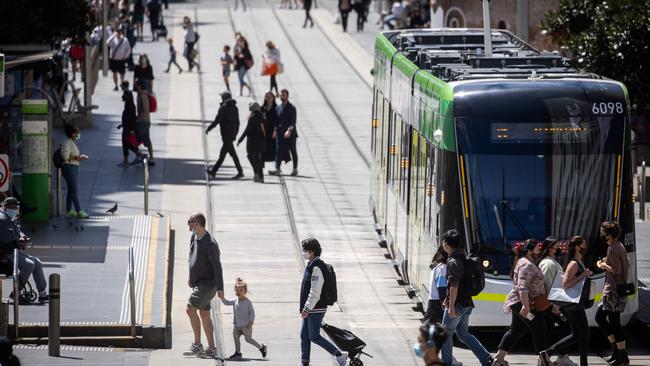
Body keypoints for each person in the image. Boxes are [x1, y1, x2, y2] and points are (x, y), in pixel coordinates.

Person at [492, 239, 551, 366]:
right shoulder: (527, 265)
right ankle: (544, 360)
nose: (539, 251)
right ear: (530, 251)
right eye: (537, 249)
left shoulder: (525, 262)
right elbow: (522, 287)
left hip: (520, 302)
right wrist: (526, 306)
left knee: (516, 330)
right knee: (539, 328)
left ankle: (499, 359)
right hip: (523, 303)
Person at [440, 229, 492, 366]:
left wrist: (451, 306)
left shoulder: (453, 262)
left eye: (443, 242)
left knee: (445, 334)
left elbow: (454, 285)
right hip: (467, 303)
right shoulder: (463, 256)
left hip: (457, 305)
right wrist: (448, 299)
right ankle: (486, 359)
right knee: (463, 334)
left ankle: (447, 362)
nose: (442, 244)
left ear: (447, 243)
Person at [540, 236, 592, 366]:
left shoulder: (579, 262)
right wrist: (583, 275)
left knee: (577, 334)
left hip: (576, 303)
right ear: (577, 247)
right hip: (572, 304)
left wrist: (584, 275)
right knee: (584, 333)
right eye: (584, 245)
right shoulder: (573, 263)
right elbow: (565, 284)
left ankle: (548, 352)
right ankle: (583, 363)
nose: (586, 248)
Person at [299, 238, 348, 366]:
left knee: (314, 337)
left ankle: (339, 354)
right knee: (304, 336)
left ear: (312, 251)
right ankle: (304, 362)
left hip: (315, 308)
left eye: (305, 250)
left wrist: (307, 308)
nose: (303, 252)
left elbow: (315, 292)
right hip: (310, 308)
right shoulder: (312, 265)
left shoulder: (317, 267)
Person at [184, 212, 224, 359]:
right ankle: (212, 348)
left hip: (207, 284)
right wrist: (190, 276)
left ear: (198, 223)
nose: (188, 224)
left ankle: (197, 345)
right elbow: (191, 256)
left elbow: (217, 267)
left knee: (190, 309)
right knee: (205, 314)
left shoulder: (210, 243)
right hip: (198, 283)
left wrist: (220, 288)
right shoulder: (194, 236)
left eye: (190, 221)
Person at [0, 197, 49, 304]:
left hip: (12, 250)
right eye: (10, 207)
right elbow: (7, 238)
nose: (13, 209)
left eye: (15, 207)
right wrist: (20, 242)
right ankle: (16, 293)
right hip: (4, 252)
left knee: (37, 262)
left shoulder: (10, 217)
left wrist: (23, 237)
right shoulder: (2, 219)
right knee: (29, 264)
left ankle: (42, 293)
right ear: (4, 207)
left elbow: (17, 231)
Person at [595, 221, 629, 366]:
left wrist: (603, 265)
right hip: (614, 289)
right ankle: (617, 352)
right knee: (603, 318)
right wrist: (606, 262)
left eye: (603, 230)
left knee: (612, 322)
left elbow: (617, 270)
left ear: (608, 233)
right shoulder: (618, 246)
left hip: (613, 290)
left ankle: (621, 355)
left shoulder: (613, 248)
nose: (601, 232)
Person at [538, 237, 572, 365]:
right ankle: (561, 356)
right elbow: (547, 284)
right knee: (566, 325)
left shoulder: (550, 262)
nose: (559, 249)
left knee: (548, 330)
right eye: (556, 246)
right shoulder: (548, 264)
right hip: (553, 304)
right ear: (549, 248)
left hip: (553, 303)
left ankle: (543, 359)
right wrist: (554, 305)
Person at [221, 278, 267, 359]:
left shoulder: (247, 302)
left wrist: (251, 322)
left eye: (241, 290)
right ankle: (238, 352)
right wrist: (222, 298)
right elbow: (226, 302)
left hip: (246, 325)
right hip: (237, 325)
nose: (238, 292)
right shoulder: (235, 301)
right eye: (237, 290)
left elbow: (252, 312)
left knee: (248, 339)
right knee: (236, 338)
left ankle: (261, 348)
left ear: (245, 291)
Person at [206, 91, 244, 179]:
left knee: (230, 154)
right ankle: (214, 171)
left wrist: (209, 128)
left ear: (224, 98)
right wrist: (235, 134)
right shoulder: (235, 108)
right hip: (231, 135)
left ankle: (240, 172)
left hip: (226, 135)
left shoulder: (223, 108)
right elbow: (238, 123)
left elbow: (217, 120)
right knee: (224, 154)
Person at [61, 124, 90, 219]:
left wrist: (79, 158)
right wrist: (78, 158)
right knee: (74, 189)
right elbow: (65, 156)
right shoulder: (68, 143)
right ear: (73, 134)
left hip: (73, 168)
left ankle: (69, 210)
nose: (79, 134)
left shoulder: (72, 143)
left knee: (71, 189)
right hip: (69, 168)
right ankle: (79, 210)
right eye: (77, 132)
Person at [269, 89, 298, 177]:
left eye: (284, 95)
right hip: (280, 133)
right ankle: (277, 169)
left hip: (290, 134)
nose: (282, 97)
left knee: (293, 151)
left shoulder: (292, 108)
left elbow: (293, 122)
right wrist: (274, 130)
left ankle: (295, 168)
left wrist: (289, 131)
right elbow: (276, 121)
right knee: (279, 151)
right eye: (281, 95)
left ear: (287, 96)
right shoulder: (278, 108)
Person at [237, 102, 266, 183]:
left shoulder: (252, 117)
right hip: (260, 141)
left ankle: (258, 175)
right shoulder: (262, 116)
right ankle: (259, 175)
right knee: (257, 158)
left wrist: (240, 139)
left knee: (252, 156)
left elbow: (247, 130)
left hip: (253, 141)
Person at [118, 82, 144, 166]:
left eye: (124, 96)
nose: (122, 98)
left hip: (129, 128)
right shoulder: (128, 105)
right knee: (125, 143)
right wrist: (121, 125)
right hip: (126, 127)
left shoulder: (131, 106)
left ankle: (139, 154)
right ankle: (127, 159)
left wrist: (132, 130)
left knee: (128, 143)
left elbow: (131, 118)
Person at [424, 246, 448, 323]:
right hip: (438, 303)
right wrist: (444, 303)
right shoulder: (442, 268)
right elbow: (441, 287)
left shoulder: (437, 266)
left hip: (433, 301)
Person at [106, 26, 132, 91]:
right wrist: (113, 35)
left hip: (121, 59)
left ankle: (122, 83)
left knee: (122, 73)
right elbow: (107, 42)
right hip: (113, 59)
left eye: (120, 32)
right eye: (118, 31)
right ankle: (116, 85)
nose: (119, 33)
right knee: (114, 73)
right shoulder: (113, 39)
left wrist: (125, 56)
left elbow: (128, 49)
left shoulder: (125, 40)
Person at [261, 91, 279, 167]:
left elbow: (277, 120)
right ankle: (261, 166)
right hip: (264, 131)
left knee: (274, 149)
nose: (268, 98)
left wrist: (275, 130)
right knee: (262, 149)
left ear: (273, 98)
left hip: (272, 132)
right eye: (267, 97)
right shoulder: (262, 108)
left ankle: (277, 166)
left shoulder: (276, 108)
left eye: (270, 97)